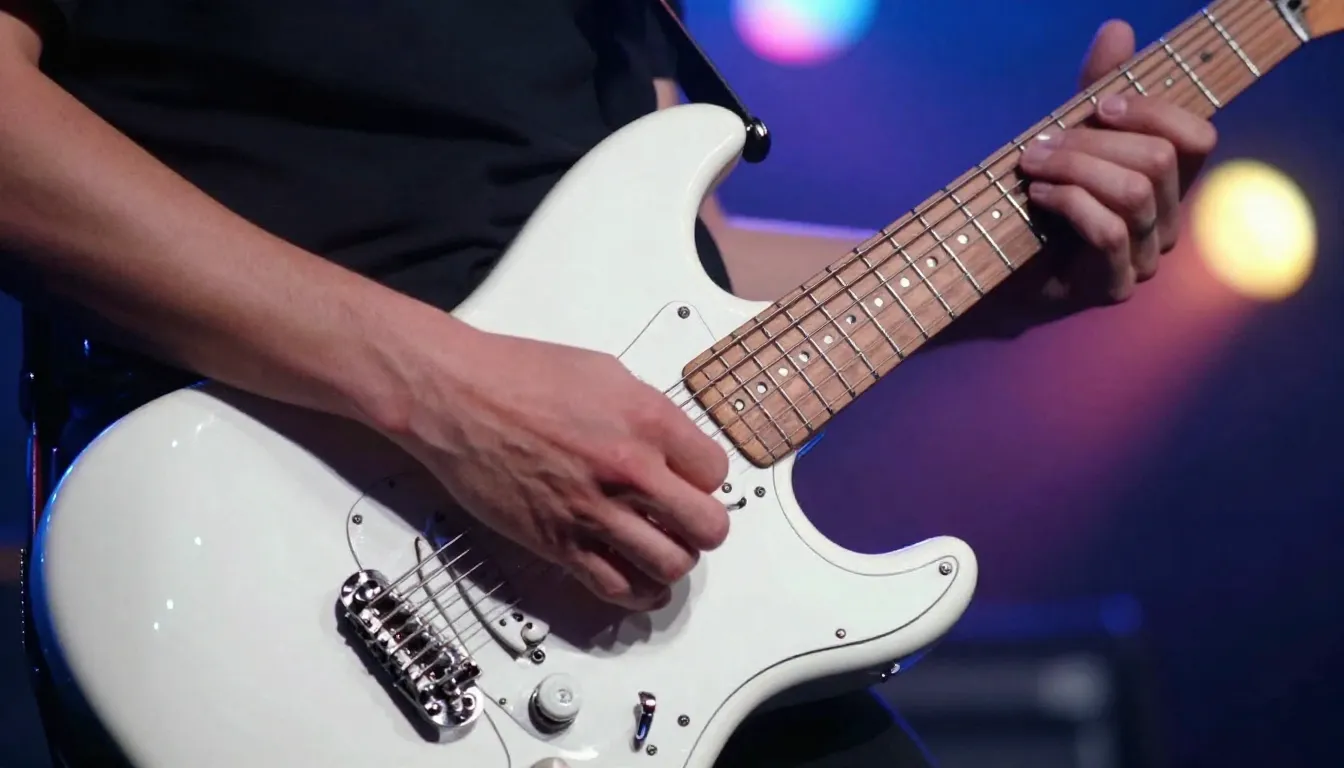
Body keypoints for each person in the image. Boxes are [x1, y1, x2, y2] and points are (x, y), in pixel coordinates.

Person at [0, 1, 1217, 766]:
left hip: (625, 635)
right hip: (278, 575)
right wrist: (447, 397)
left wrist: (989, 281)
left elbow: (672, 273)